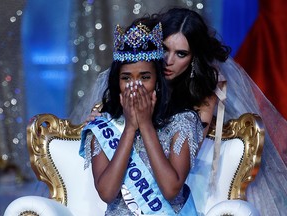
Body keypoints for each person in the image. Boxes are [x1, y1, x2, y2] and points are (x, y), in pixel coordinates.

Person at [78, 7, 287, 215]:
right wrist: (108, 125)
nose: (168, 61)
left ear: (193, 58)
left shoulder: (192, 111)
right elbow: (106, 190)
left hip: (180, 188)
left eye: (181, 54)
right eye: (165, 49)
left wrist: (144, 124)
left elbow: (176, 178)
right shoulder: (117, 112)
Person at [79, 19, 204, 215]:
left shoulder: (183, 121)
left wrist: (145, 125)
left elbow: (171, 190)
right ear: (116, 81)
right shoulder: (102, 126)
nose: (135, 86)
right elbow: (107, 192)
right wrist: (129, 128)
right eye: (126, 78)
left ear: (157, 81)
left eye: (145, 77)